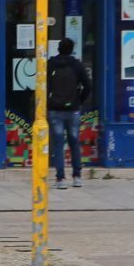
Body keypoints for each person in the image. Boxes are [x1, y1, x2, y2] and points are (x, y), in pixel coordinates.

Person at [47, 38, 92, 189]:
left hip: (55, 109)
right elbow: (88, 85)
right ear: (72, 50)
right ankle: (77, 177)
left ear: (58, 49)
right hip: (73, 110)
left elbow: (43, 84)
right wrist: (79, 100)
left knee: (58, 144)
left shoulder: (51, 64)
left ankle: (60, 180)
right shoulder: (77, 65)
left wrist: (48, 100)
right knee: (74, 142)